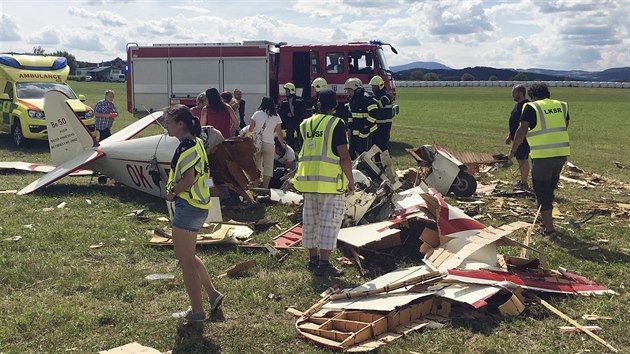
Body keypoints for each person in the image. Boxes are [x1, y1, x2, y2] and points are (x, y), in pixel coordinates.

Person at [164, 105, 224, 322]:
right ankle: (213, 294)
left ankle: (197, 312)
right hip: (198, 205)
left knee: (185, 262)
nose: (166, 126)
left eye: (168, 121)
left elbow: (188, 179)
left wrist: (172, 193)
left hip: (188, 206)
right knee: (189, 257)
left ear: (181, 124)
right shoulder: (197, 142)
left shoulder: (188, 147)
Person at [293, 89, 355, 277]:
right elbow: (344, 157)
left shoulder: (305, 124)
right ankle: (324, 263)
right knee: (330, 222)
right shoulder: (336, 124)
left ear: (317, 103)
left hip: (308, 181)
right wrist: (351, 181)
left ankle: (312, 260)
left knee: (310, 221)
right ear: (334, 106)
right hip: (329, 183)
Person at [510, 82, 570, 237]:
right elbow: (565, 125)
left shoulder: (531, 107)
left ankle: (549, 230)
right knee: (550, 188)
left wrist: (514, 149)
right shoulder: (562, 105)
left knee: (542, 191)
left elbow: (522, 130)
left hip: (543, 156)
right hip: (561, 153)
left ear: (532, 95)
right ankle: (545, 221)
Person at [248, 96, 286, 188]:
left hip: (257, 143)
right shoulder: (276, 116)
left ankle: (256, 186)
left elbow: (250, 129)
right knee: (268, 167)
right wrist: (282, 143)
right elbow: (279, 132)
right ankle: (265, 188)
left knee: (256, 166)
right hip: (269, 143)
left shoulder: (257, 114)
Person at [505, 84, 531, 191]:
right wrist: (510, 135)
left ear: (520, 93)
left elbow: (524, 125)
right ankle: (523, 180)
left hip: (523, 139)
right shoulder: (517, 105)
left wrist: (519, 138)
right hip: (516, 137)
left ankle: (524, 183)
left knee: (523, 160)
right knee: (520, 159)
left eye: (514, 93)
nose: (512, 95)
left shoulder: (527, 106)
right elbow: (515, 122)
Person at [345, 78, 378, 159]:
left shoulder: (367, 98)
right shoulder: (352, 100)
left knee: (364, 154)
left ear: (355, 89)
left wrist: (366, 125)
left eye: (349, 90)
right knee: (352, 152)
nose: (348, 92)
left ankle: (365, 169)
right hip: (355, 131)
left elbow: (374, 113)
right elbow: (350, 115)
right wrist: (349, 128)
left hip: (367, 131)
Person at [369, 75, 394, 153]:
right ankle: (378, 162)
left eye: (374, 86)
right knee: (375, 145)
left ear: (380, 86)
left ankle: (385, 162)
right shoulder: (377, 95)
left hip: (384, 124)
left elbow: (378, 105)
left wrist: (370, 98)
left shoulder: (385, 96)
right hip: (377, 123)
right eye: (372, 86)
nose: (373, 88)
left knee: (383, 145)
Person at [279, 82, 306, 151]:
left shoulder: (299, 100)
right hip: (289, 121)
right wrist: (286, 116)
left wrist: (295, 114)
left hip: (298, 120)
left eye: (287, 91)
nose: (286, 92)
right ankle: (291, 149)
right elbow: (281, 112)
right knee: (289, 136)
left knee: (301, 135)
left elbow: (302, 110)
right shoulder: (285, 101)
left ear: (291, 90)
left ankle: (302, 148)